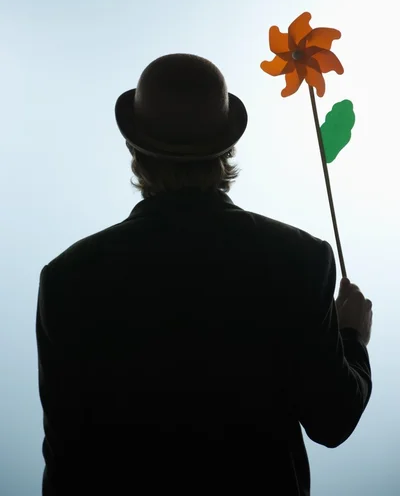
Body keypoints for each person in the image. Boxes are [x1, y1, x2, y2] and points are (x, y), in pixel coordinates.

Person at [36, 53, 373, 496]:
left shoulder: (66, 279)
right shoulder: (299, 258)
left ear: (134, 150)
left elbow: (67, 466)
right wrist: (351, 336)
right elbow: (333, 419)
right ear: (228, 149)